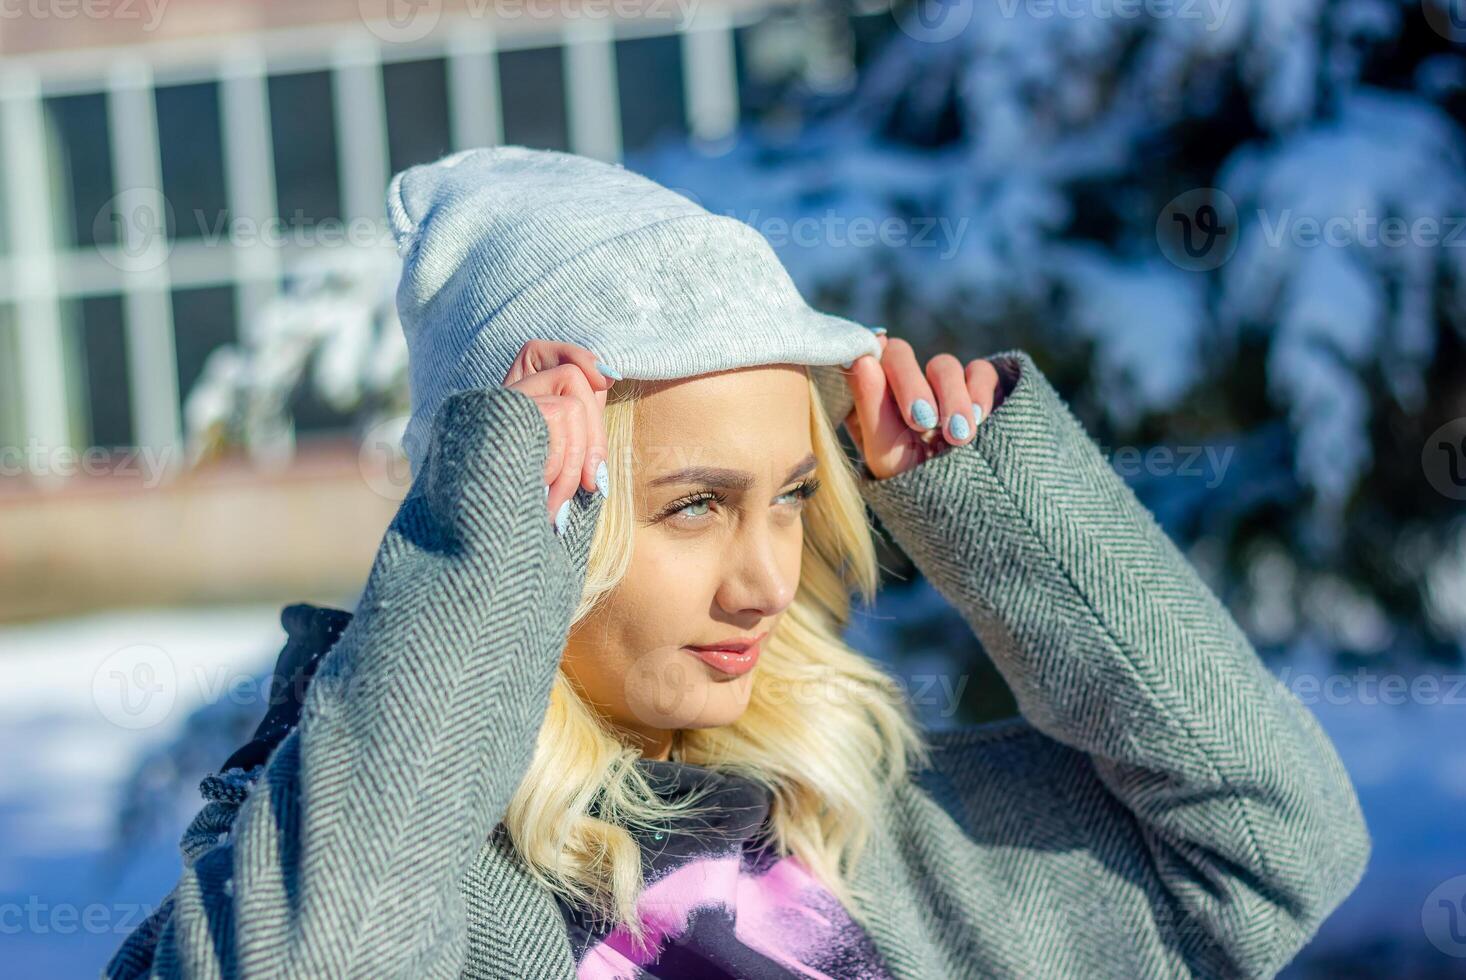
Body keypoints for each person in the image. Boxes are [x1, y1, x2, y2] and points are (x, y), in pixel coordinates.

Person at [106, 146, 1370, 980]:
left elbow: (1279, 843)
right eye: (697, 504)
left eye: (797, 498)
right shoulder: (325, 874)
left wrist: (991, 504)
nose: (767, 577)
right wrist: (478, 558)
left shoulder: (869, 829)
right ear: (535, 506)